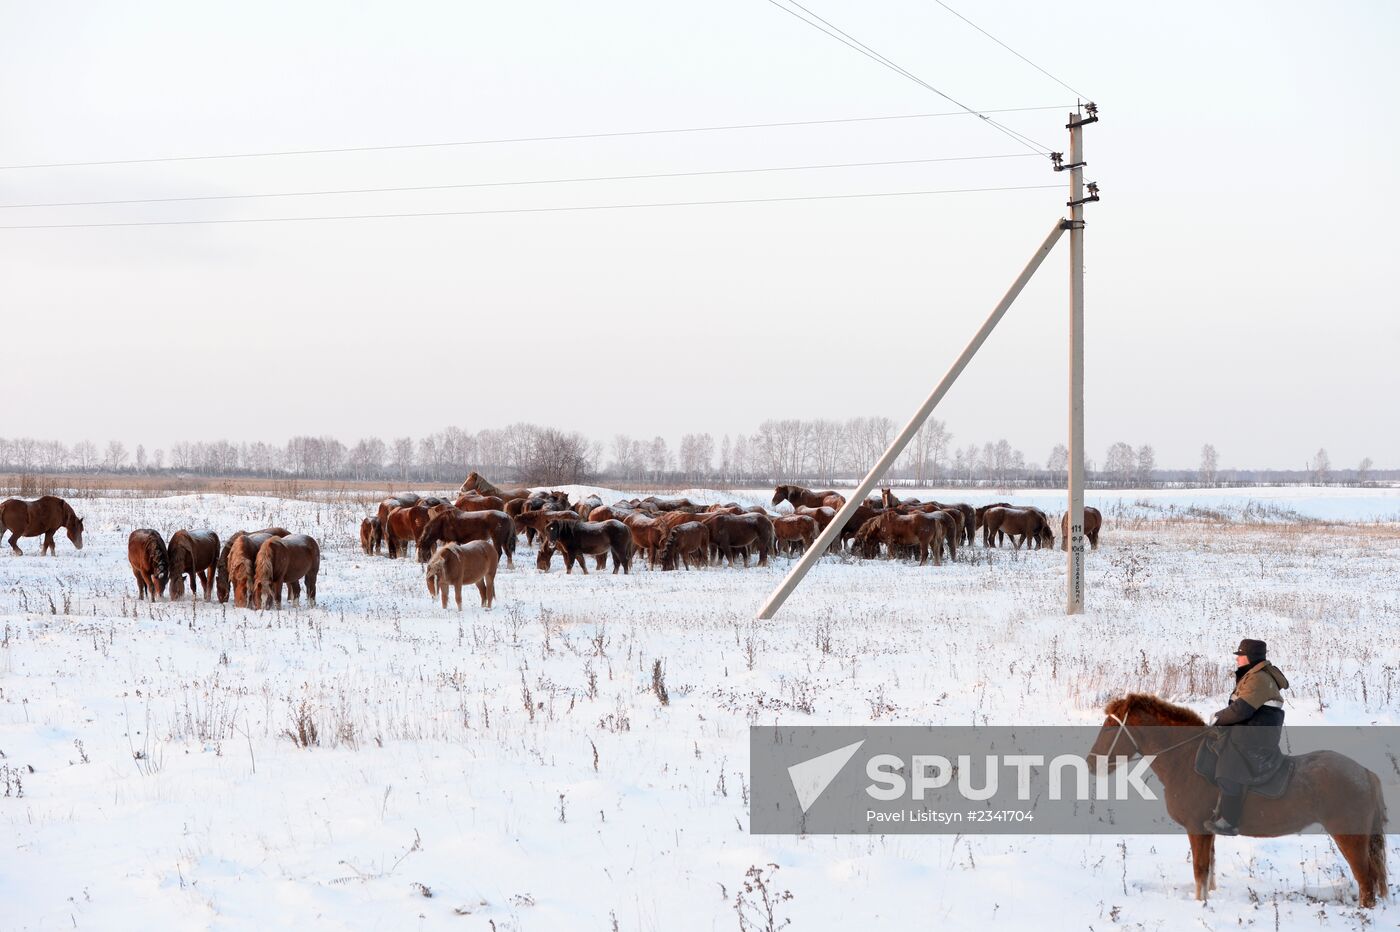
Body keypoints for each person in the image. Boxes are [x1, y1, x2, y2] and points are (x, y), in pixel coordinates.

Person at [1203, 638, 1289, 835]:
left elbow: (1241, 710)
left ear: (1249, 657)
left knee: (1230, 760)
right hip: (1253, 728)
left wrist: (1217, 718)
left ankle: (1230, 820)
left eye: (1240, 656)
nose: (1237, 660)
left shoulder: (1258, 679)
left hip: (1257, 734)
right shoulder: (1252, 676)